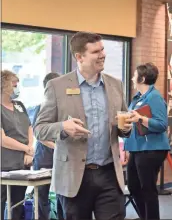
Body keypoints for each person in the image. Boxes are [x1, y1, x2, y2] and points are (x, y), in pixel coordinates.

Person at [34, 32, 132, 220]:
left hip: (109, 174)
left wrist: (126, 127)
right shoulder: (57, 86)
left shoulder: (115, 85)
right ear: (79, 57)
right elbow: (40, 129)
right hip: (73, 177)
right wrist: (63, 127)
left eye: (102, 49)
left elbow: (123, 125)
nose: (102, 54)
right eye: (96, 51)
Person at [123, 62, 170, 220]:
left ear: (142, 78)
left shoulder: (154, 97)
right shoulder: (137, 98)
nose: (132, 78)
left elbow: (162, 124)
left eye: (134, 75)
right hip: (137, 148)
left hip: (152, 149)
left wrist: (141, 119)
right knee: (134, 187)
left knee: (147, 188)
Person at [1, 70, 34, 220]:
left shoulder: (19, 105)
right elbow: (2, 139)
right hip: (4, 165)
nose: (16, 87)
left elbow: (29, 128)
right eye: (14, 84)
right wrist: (26, 148)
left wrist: (29, 152)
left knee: (18, 204)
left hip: (22, 165)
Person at [32, 72, 63, 220]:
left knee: (62, 196)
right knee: (41, 195)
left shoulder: (64, 107)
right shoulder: (42, 107)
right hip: (44, 158)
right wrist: (57, 147)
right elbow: (39, 135)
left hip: (62, 160)